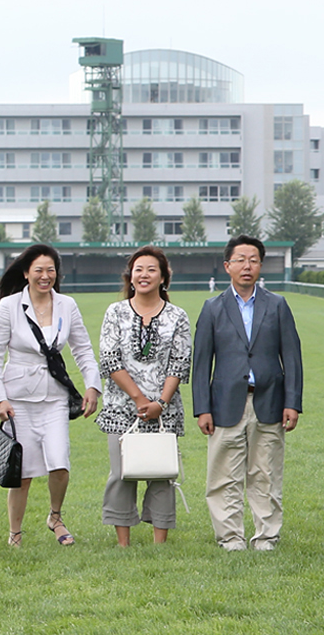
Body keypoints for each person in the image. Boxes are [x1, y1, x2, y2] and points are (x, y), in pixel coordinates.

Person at [0, 243, 102, 547]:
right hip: (18, 399)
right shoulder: (9, 307)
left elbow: (83, 349)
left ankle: (55, 516)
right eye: (39, 270)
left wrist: (92, 385)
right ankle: (15, 533)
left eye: (51, 270)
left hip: (54, 398)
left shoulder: (67, 305)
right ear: (26, 273)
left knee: (60, 464)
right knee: (22, 472)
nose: (45, 276)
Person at [191, 235, 304, 552]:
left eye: (253, 259)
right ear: (227, 266)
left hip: (269, 401)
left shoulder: (277, 305)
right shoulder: (212, 308)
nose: (247, 266)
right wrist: (203, 409)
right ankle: (231, 537)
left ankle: (267, 536)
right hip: (225, 403)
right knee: (224, 474)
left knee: (265, 473)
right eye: (240, 259)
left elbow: (291, 358)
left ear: (261, 265)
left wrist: (292, 402)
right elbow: (201, 364)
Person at [97, 246, 191, 546]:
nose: (144, 275)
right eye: (138, 269)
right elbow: (110, 359)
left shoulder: (177, 316)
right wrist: (139, 399)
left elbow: (180, 362)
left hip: (164, 410)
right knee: (121, 473)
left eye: (151, 269)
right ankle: (122, 542)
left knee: (161, 473)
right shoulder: (116, 312)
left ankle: (159, 542)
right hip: (122, 409)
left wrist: (160, 403)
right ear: (130, 275)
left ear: (164, 277)